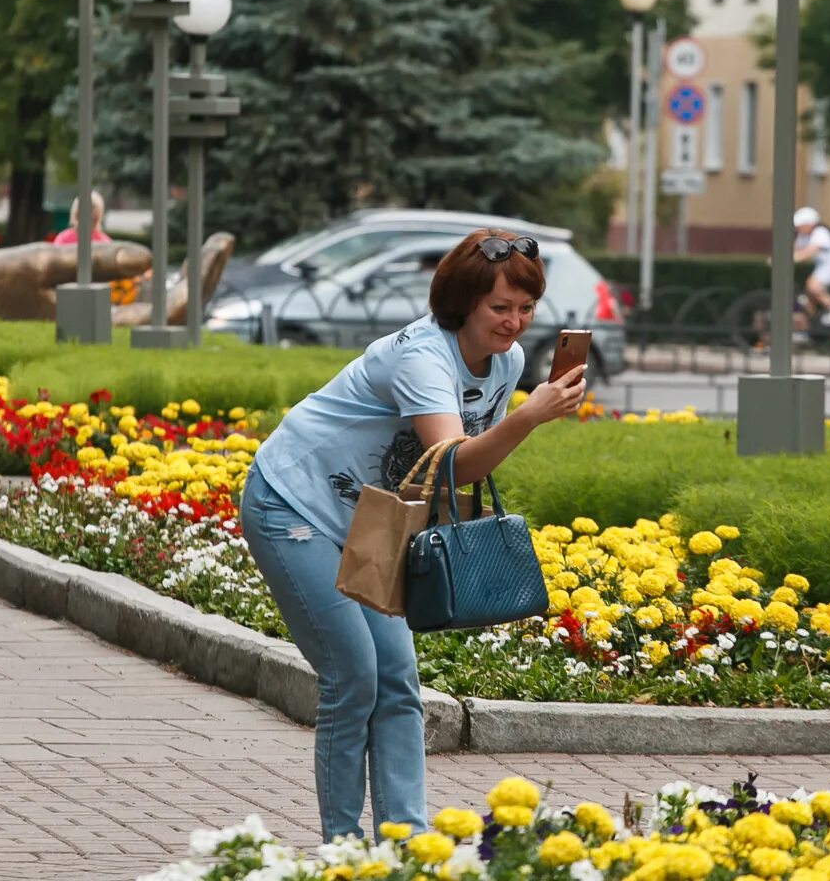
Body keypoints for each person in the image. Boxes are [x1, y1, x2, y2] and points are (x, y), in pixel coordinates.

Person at [238, 228, 586, 843]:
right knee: (353, 680)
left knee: (398, 682)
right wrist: (532, 415)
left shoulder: (506, 363)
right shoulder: (421, 355)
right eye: (499, 308)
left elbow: (459, 472)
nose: (514, 323)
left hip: (374, 521)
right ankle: (342, 850)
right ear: (463, 303)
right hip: (295, 502)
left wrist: (521, 413)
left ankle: (404, 841)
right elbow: (455, 460)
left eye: (525, 309)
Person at [792, 206, 830, 326]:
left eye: (801, 225)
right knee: (807, 299)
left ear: (810, 224)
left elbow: (811, 250)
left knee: (813, 285)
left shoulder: (820, 232)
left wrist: (795, 258)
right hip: (823, 265)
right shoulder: (802, 235)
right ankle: (811, 327)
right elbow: (795, 249)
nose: (798, 228)